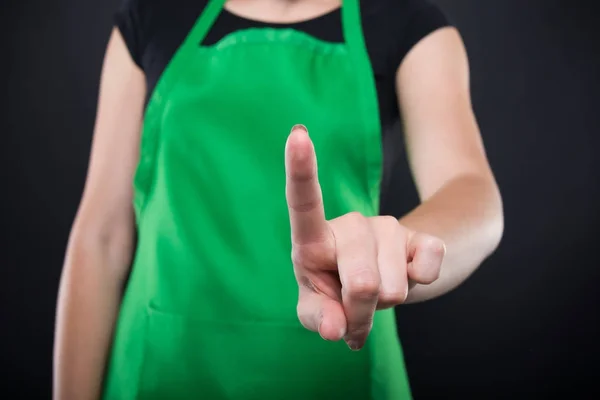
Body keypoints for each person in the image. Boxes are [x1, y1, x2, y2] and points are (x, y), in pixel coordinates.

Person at [53, 0, 504, 399]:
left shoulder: (410, 26)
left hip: (338, 372)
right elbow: (101, 237)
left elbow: (470, 190)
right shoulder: (151, 18)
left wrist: (400, 246)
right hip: (159, 369)